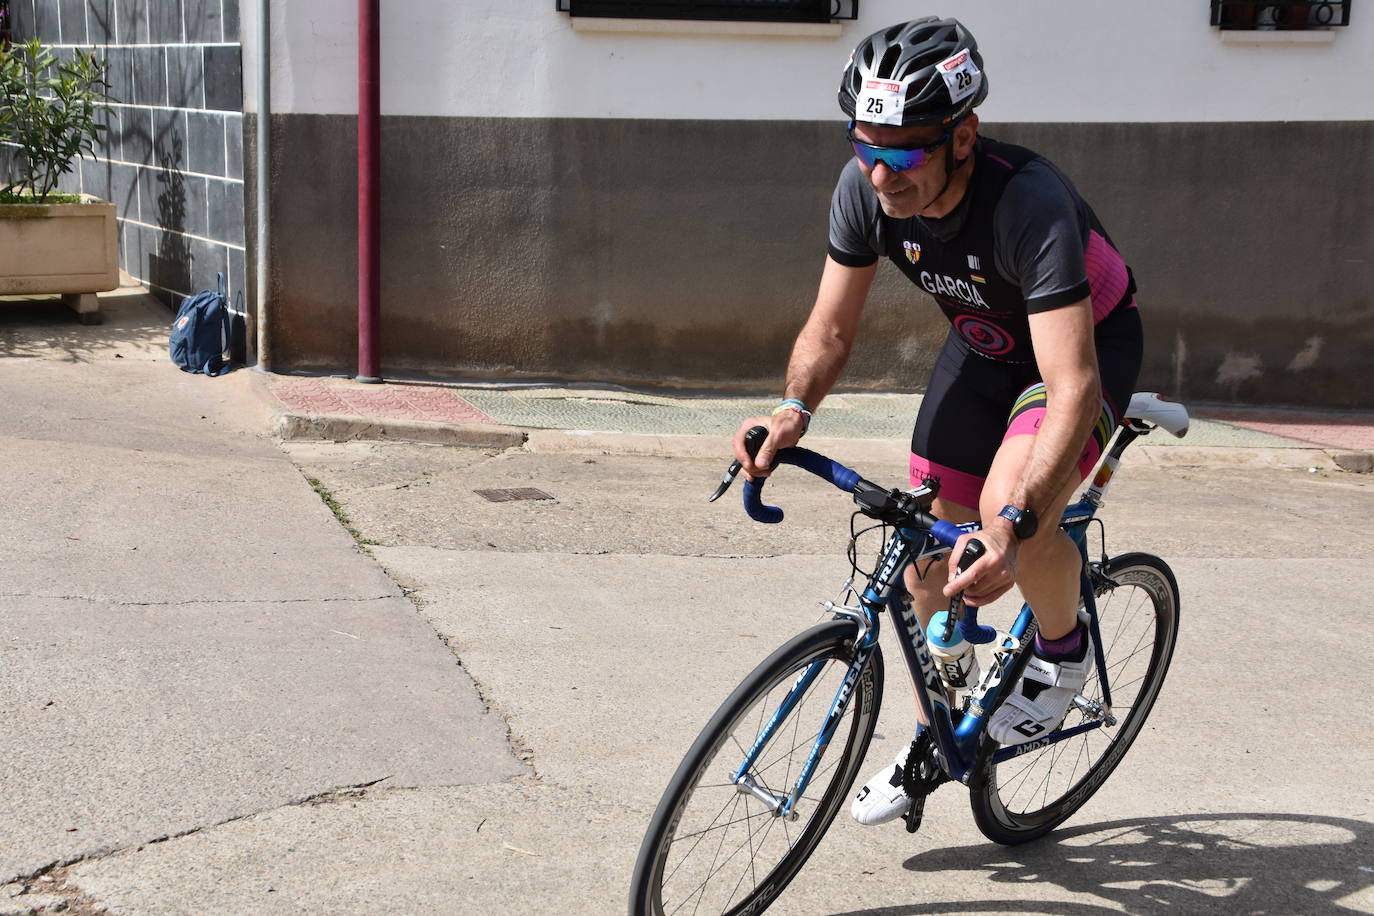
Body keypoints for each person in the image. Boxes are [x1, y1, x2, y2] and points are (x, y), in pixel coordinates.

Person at [731, 16, 1143, 827]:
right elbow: (831, 328)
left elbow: (1069, 382)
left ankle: (1063, 655)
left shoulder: (1029, 203)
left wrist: (1018, 524)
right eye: (865, 145)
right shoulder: (864, 189)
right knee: (922, 552)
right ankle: (932, 733)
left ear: (963, 136)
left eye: (905, 150)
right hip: (983, 352)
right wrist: (791, 411)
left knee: (1005, 514)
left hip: (1078, 357)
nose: (882, 174)